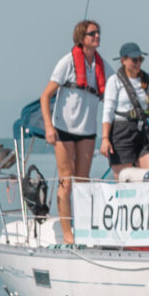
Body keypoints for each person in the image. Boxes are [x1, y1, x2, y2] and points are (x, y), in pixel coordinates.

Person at [39, 18, 107, 245]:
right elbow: (45, 95)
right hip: (64, 129)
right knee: (66, 181)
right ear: (81, 39)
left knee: (82, 181)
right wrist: (49, 127)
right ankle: (68, 234)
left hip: (87, 129)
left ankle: (84, 227)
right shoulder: (67, 62)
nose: (97, 36)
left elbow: (118, 87)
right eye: (92, 34)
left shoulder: (101, 65)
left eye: (98, 33)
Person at [101, 41, 149, 177]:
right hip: (122, 131)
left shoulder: (146, 79)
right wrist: (105, 138)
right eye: (135, 60)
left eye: (141, 59)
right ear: (123, 61)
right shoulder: (114, 81)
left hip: (143, 130)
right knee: (125, 180)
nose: (138, 63)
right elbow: (108, 111)